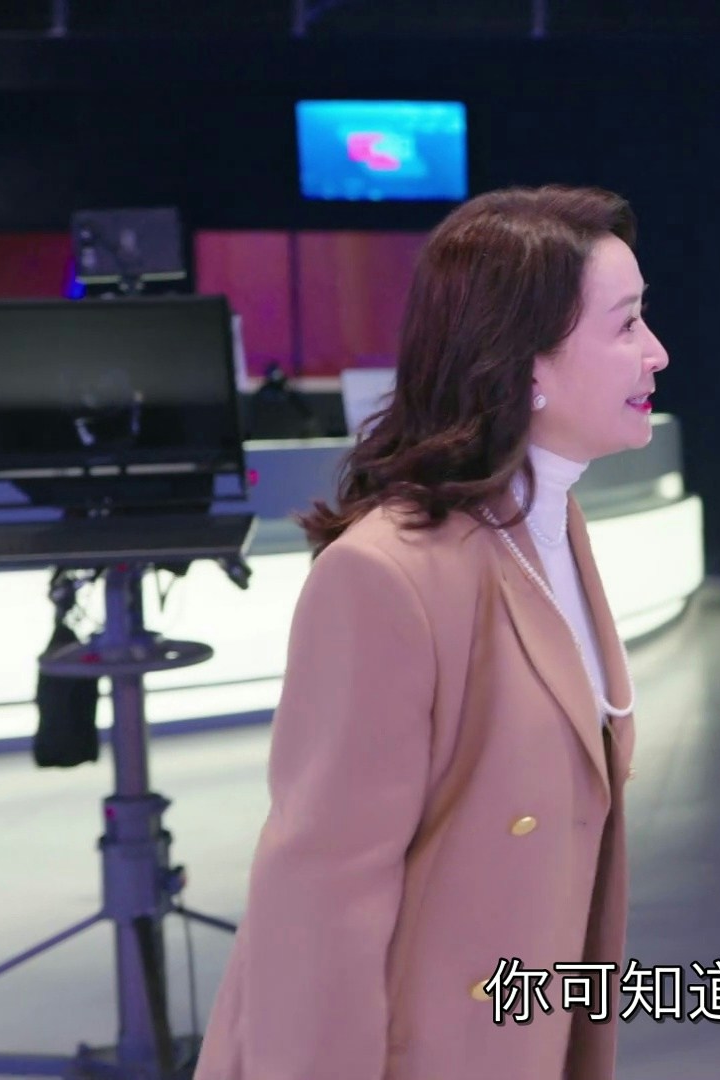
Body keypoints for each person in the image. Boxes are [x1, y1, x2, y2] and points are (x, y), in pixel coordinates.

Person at [195, 185, 668, 1080]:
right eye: (626, 325)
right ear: (524, 360)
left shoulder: (553, 524)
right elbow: (319, 899)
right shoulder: (386, 576)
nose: (657, 352)